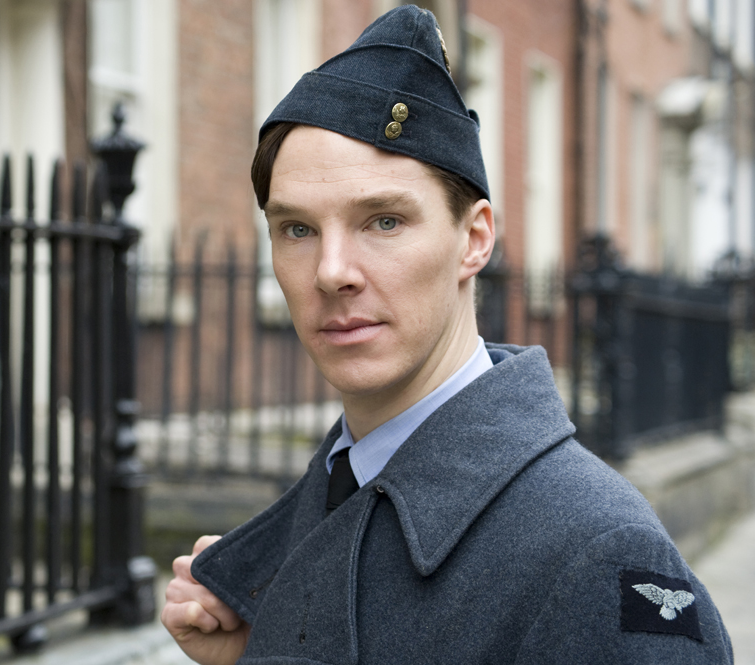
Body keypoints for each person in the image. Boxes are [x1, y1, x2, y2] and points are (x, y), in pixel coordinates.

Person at [161, 6, 733, 663]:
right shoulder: (336, 492)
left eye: (384, 221)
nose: (331, 271)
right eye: (297, 229)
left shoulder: (597, 552)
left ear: (474, 239)